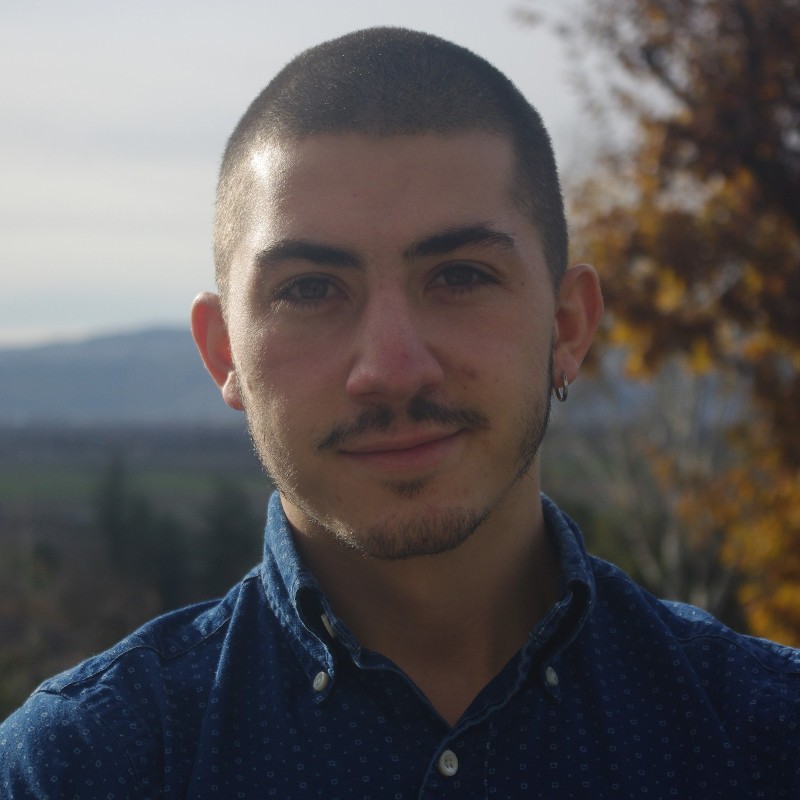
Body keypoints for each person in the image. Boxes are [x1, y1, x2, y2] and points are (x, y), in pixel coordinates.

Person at [1, 26, 798, 799]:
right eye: (310, 289)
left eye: (460, 276)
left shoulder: (769, 740)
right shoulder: (80, 769)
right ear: (224, 352)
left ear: (566, 327)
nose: (390, 368)